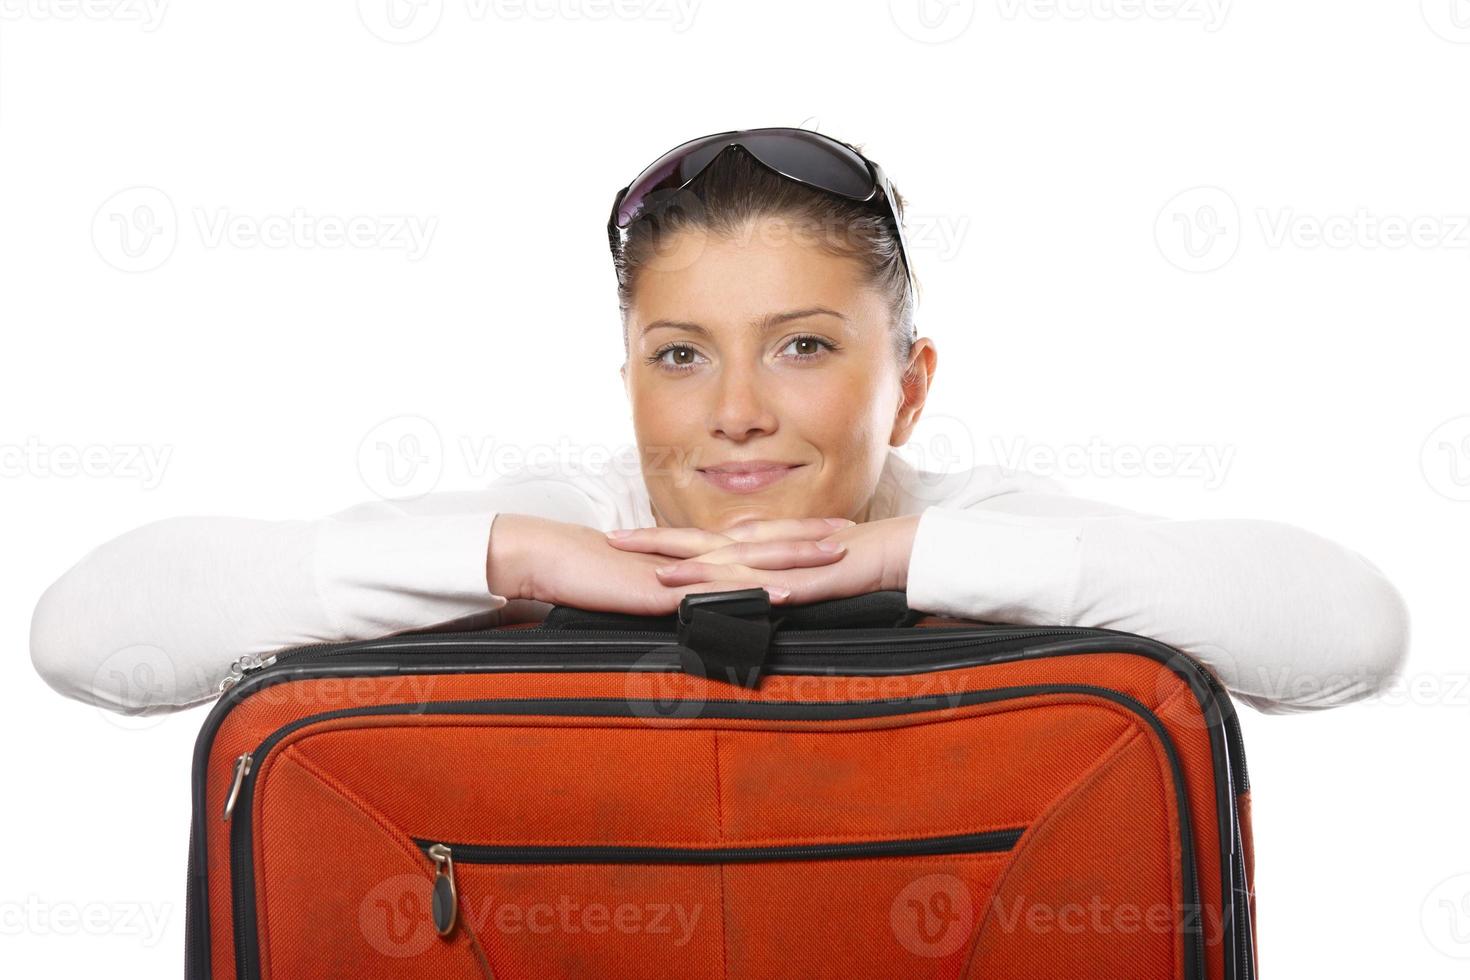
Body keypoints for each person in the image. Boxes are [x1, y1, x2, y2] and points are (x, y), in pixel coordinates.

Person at [29, 127, 1409, 717]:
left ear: (908, 385)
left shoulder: (973, 531)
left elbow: (1348, 633)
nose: (734, 414)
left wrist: (898, 564)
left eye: (803, 346)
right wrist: (511, 560)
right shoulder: (562, 524)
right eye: (679, 355)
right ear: (628, 377)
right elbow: (85, 636)